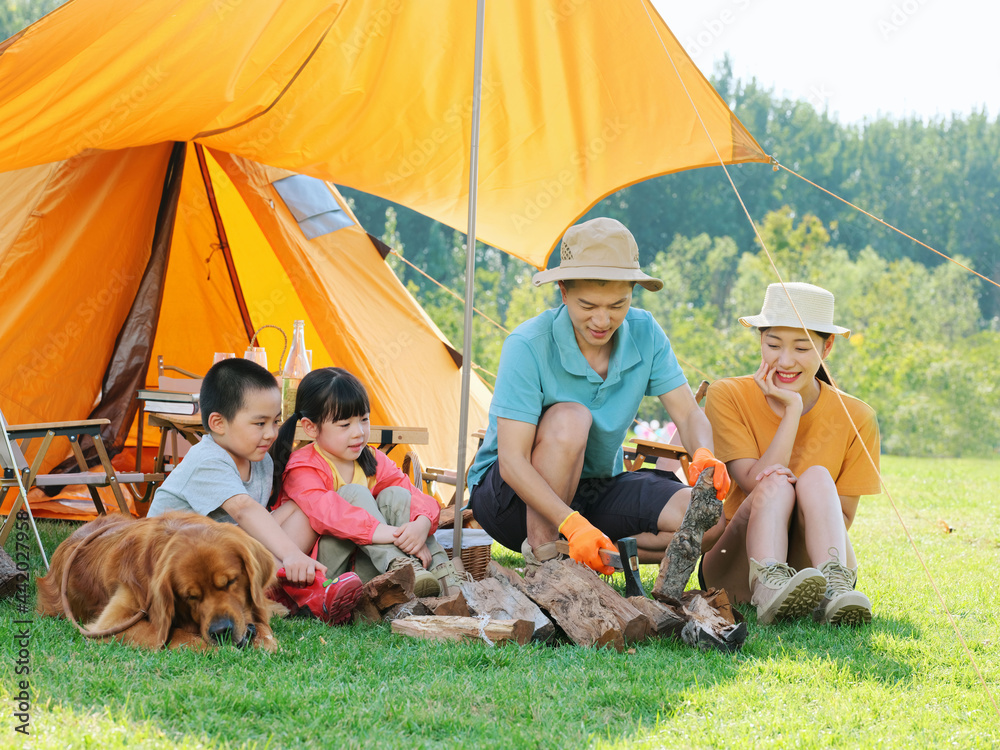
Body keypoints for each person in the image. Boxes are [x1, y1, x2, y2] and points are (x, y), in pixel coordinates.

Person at [467, 217, 731, 575]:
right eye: (588, 306)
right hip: (509, 499)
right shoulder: (527, 345)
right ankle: (547, 563)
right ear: (563, 290)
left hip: (595, 489)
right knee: (572, 418)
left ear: (632, 294)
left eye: (618, 305)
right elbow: (512, 462)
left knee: (708, 520)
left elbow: (686, 413)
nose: (603, 321)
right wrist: (570, 523)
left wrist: (704, 454)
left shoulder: (646, 332)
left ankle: (595, 557)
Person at [700, 282, 881, 626]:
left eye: (802, 347)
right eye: (773, 345)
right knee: (776, 482)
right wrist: (793, 411)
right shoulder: (728, 395)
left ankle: (835, 587)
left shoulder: (858, 417)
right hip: (737, 563)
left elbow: (841, 517)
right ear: (760, 340)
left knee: (816, 477)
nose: (785, 361)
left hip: (814, 565)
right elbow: (754, 482)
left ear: (826, 348)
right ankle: (769, 585)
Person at [148, 358, 362, 625]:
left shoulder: (260, 461)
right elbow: (244, 509)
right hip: (181, 564)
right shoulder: (207, 460)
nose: (271, 433)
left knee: (302, 507)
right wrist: (292, 554)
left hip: (223, 552)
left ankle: (281, 591)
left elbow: (253, 526)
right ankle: (306, 591)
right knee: (272, 540)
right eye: (260, 424)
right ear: (218, 423)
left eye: (276, 422)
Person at [269, 367, 465, 598]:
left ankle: (446, 579)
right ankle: (403, 568)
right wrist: (395, 535)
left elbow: (416, 495)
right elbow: (329, 514)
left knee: (397, 496)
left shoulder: (371, 459)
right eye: (345, 425)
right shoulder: (303, 466)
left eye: (364, 420)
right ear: (311, 427)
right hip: (323, 574)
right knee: (354, 494)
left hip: (366, 565)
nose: (359, 433)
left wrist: (420, 525)